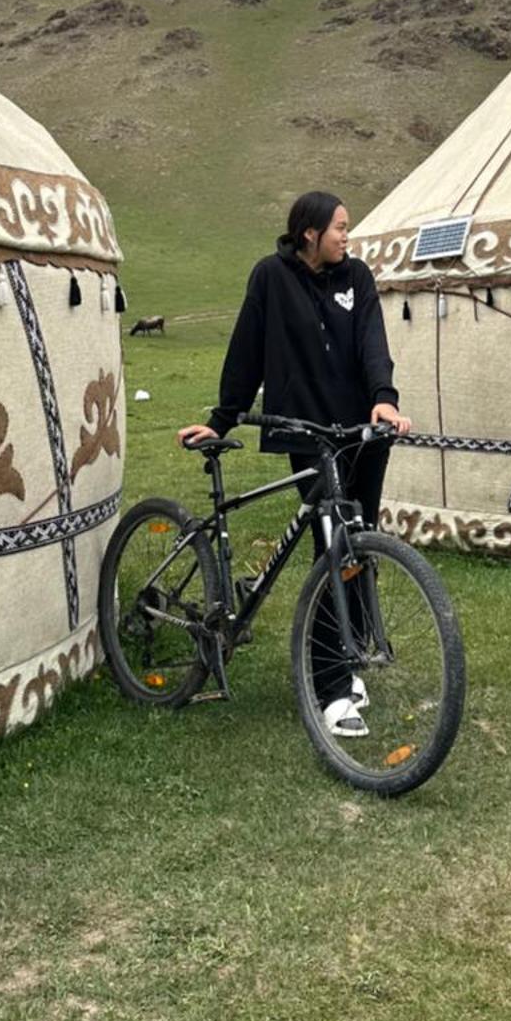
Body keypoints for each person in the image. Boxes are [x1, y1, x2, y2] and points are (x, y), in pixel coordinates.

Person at [178, 189, 411, 736]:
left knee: (357, 547)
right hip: (308, 432)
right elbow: (247, 350)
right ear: (309, 232)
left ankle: (349, 658)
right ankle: (329, 687)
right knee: (331, 551)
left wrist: (385, 396)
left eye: (347, 228)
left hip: (359, 432)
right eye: (339, 227)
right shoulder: (271, 278)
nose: (346, 236)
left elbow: (373, 341)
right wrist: (224, 417)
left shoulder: (357, 278)